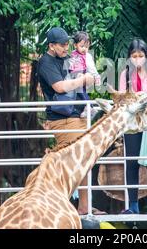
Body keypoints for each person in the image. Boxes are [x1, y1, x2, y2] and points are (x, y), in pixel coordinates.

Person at [37, 27, 106, 215]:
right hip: (63, 119)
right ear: (51, 46)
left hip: (78, 116)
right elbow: (59, 87)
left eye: (67, 43)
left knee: (83, 162)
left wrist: (90, 78)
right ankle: (62, 207)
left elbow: (82, 80)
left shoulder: (67, 59)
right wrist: (83, 79)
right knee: (70, 164)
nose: (66, 47)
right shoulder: (46, 62)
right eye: (62, 45)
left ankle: (83, 206)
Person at [118, 38, 147, 214]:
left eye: (141, 55)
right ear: (129, 57)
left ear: (146, 56)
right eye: (134, 55)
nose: (137, 59)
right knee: (132, 163)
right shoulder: (125, 74)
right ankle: (133, 206)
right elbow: (122, 98)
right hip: (132, 121)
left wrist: (144, 100)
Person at [68, 31, 101, 119]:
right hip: (73, 77)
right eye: (82, 46)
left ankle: (89, 107)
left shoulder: (88, 56)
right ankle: (87, 107)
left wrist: (96, 76)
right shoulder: (72, 55)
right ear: (75, 45)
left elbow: (92, 68)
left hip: (82, 75)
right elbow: (69, 67)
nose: (84, 49)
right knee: (77, 93)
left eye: (86, 47)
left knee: (82, 92)